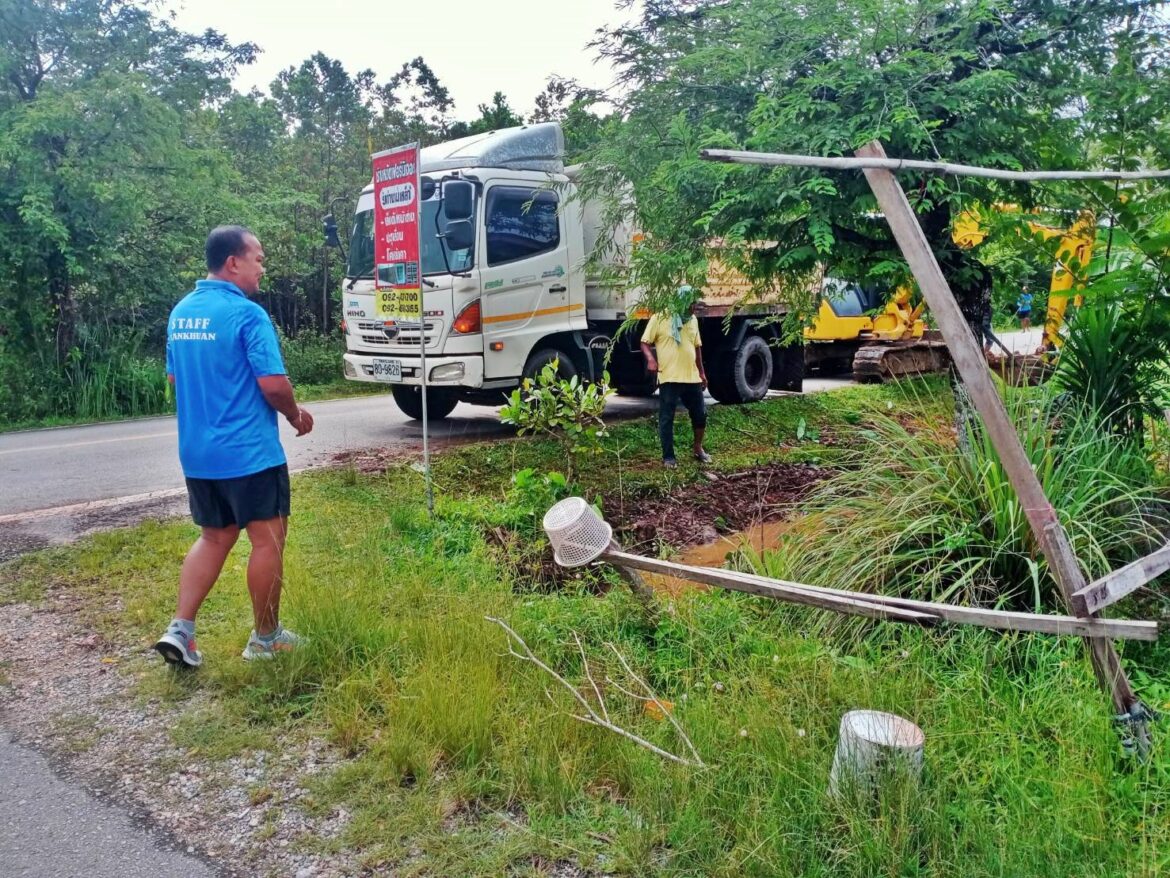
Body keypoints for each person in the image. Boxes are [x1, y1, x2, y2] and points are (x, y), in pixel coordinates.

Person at [154, 226, 314, 669]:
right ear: (233, 262)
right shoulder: (247, 315)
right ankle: (266, 639)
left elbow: (173, 378)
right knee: (268, 542)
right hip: (248, 454)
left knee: (213, 537)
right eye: (258, 259)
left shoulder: (182, 313)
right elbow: (273, 384)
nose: (262, 268)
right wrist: (295, 415)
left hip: (199, 456)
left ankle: (181, 631)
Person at [640, 285, 711, 468]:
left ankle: (698, 448)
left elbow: (697, 348)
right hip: (669, 377)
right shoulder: (660, 317)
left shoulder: (693, 320)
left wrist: (702, 372)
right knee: (666, 417)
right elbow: (645, 342)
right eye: (689, 303)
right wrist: (651, 360)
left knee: (700, 414)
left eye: (694, 303)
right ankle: (668, 457)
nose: (693, 307)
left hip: (692, 377)